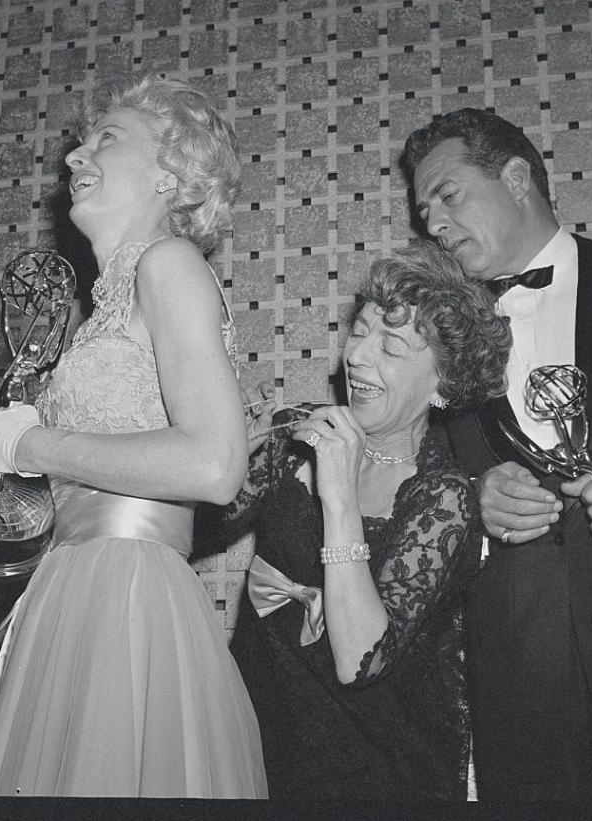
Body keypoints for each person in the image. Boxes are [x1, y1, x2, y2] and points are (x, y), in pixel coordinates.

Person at [0, 72, 267, 798]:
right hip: (67, 595)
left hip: (128, 598)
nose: (73, 157)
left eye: (107, 138)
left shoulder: (170, 263)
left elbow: (216, 463)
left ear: (170, 174)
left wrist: (26, 445)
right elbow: (67, 506)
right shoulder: (91, 321)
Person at [403, 107, 592, 803]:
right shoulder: (438, 348)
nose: (433, 223)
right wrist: (474, 505)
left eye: (448, 195)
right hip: (524, 704)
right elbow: (422, 499)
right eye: (424, 212)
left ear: (517, 178)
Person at [225, 241, 512, 800]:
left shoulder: (442, 498)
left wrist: (338, 497)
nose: (357, 356)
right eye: (358, 332)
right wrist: (226, 449)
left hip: (377, 768)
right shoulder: (295, 444)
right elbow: (192, 531)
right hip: (254, 743)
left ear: (444, 385)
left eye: (393, 346)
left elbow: (362, 662)